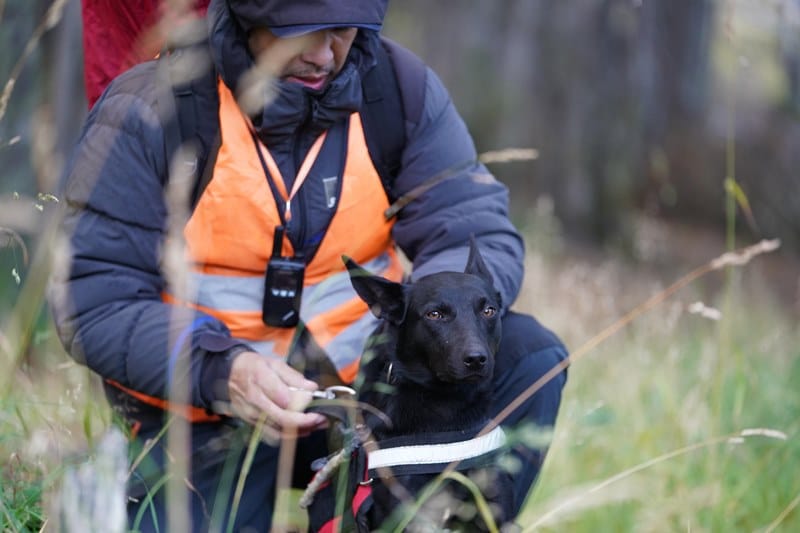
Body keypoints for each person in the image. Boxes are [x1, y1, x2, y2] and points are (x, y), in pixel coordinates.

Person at [50, 0, 569, 530]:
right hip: (203, 410)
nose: (324, 55)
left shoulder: (398, 88)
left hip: (369, 404)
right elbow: (95, 298)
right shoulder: (151, 106)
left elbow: (474, 228)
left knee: (531, 358)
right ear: (248, 22)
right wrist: (222, 369)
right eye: (301, 34)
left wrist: (431, 320)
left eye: (342, 32)